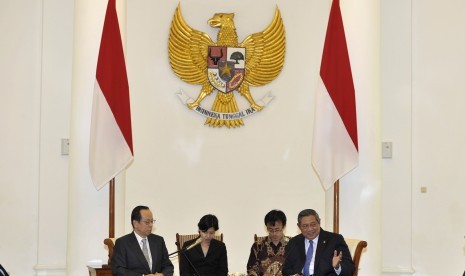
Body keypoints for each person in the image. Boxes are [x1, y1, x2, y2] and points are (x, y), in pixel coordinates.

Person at [282, 209, 354, 276]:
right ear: (299, 226)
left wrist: (338, 267)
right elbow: (286, 269)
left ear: (319, 222)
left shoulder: (335, 240)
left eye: (313, 224)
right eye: (305, 226)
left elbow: (349, 269)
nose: (310, 229)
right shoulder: (294, 242)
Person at [111, 205, 174, 276]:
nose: (151, 225)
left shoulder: (158, 241)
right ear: (135, 223)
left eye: (152, 221)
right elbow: (118, 269)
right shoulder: (123, 243)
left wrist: (162, 274)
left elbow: (168, 266)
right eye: (147, 222)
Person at [247, 209, 290, 276]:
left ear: (284, 226)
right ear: (266, 227)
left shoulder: (292, 244)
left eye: (277, 230)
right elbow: (252, 268)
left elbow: (297, 267)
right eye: (271, 230)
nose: (274, 233)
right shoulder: (258, 245)